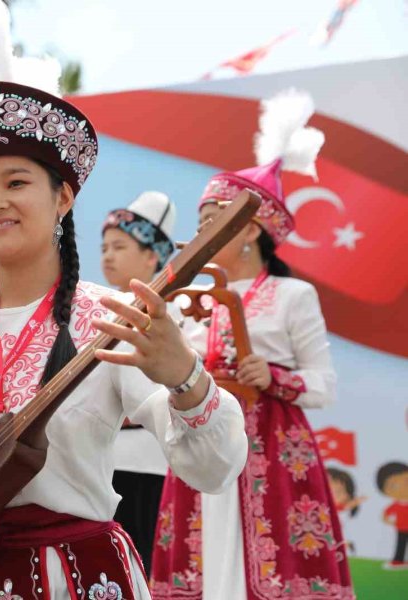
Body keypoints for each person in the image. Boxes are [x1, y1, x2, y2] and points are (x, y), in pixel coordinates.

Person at [0, 1, 248, 598]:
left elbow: (215, 468)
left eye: (16, 183)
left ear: (63, 199)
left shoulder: (110, 318)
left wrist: (183, 375)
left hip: (80, 577)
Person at [150, 89, 354, 599]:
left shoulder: (292, 295)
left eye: (213, 221)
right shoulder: (189, 296)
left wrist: (274, 377)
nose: (202, 233)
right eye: (201, 223)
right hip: (202, 437)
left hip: (272, 447)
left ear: (250, 231)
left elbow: (324, 384)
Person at [101, 191, 177, 574]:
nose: (107, 256)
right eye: (104, 247)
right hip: (99, 456)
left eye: (119, 246)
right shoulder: (96, 307)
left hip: (146, 461)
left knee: (138, 565)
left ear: (152, 256)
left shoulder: (179, 309)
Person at [377, 462, 408, 570]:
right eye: (394, 486)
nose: (402, 488)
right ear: (385, 491)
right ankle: (398, 560)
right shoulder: (395, 505)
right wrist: (389, 521)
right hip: (401, 528)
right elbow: (385, 515)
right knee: (401, 544)